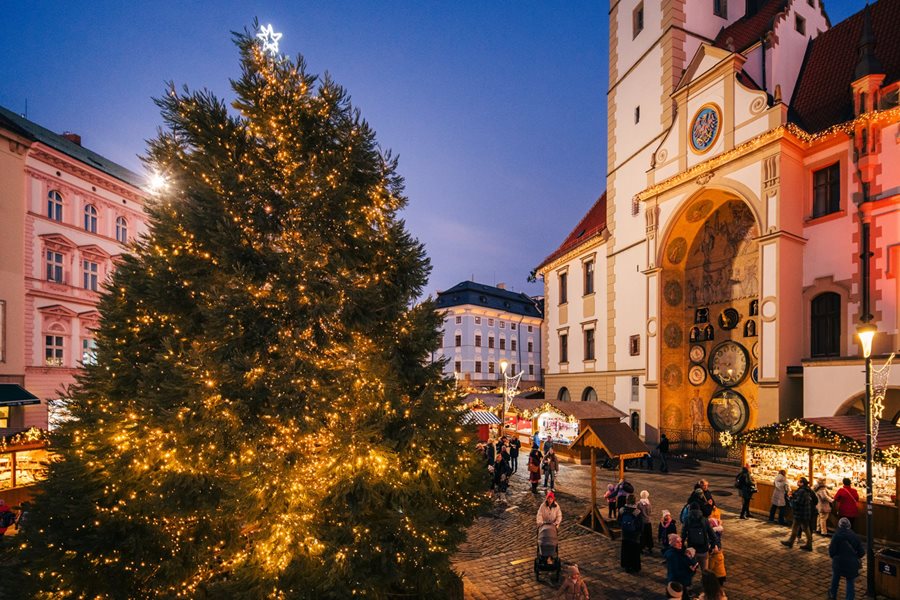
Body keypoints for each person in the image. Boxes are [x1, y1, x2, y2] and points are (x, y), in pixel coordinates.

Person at [828, 517, 864, 600]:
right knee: (850, 582)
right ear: (849, 525)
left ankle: (833, 595)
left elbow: (831, 551)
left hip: (838, 562)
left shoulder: (836, 535)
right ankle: (849, 598)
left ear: (839, 525)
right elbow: (861, 552)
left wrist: (835, 557)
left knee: (835, 578)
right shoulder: (854, 536)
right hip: (851, 564)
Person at [781, 477, 816, 551]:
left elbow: (797, 503)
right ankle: (808, 544)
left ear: (802, 483)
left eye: (799, 481)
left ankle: (791, 542)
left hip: (801, 513)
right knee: (805, 528)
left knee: (796, 527)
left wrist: (790, 498)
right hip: (806, 512)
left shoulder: (802, 491)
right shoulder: (807, 490)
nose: (797, 482)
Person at [682, 502, 717, 570]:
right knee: (705, 571)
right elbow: (712, 535)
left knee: (690, 570)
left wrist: (683, 548)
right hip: (703, 550)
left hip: (691, 551)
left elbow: (683, 535)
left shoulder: (687, 520)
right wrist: (712, 547)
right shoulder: (704, 520)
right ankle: (704, 580)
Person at [619, 494, 644, 573]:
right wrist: (639, 532)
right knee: (634, 551)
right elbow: (641, 524)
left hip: (625, 533)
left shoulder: (622, 510)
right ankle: (634, 566)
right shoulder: (637, 512)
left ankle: (626, 565)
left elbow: (618, 521)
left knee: (625, 549)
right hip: (634, 535)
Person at [706, 518, 726, 585]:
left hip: (717, 576)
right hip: (721, 575)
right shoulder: (718, 532)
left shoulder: (714, 556)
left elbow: (710, 567)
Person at [637, 490, 654, 554]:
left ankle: (641, 547)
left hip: (642, 521)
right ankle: (650, 547)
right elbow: (650, 512)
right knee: (649, 535)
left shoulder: (639, 503)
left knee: (642, 535)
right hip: (648, 521)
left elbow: (637, 512)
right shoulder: (648, 503)